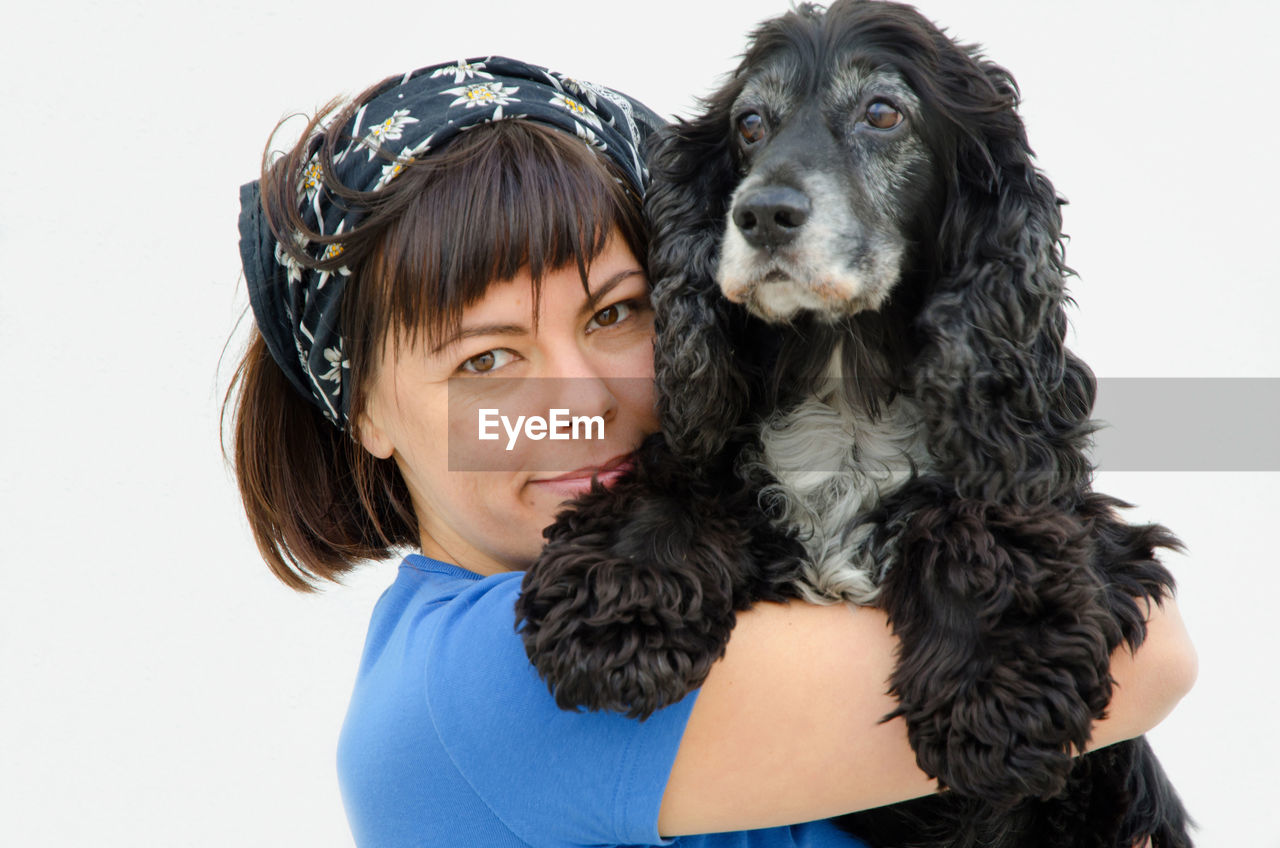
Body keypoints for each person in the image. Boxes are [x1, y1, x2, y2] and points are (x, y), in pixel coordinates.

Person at [227, 56, 1196, 847]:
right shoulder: (478, 685)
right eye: (487, 359)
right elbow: (1141, 656)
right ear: (365, 412)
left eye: (614, 313)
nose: (581, 399)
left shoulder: (720, 572)